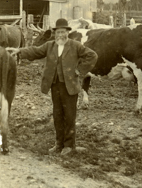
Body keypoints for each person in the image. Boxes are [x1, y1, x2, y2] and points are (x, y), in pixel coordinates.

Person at [7, 18, 98, 156]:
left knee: (69, 116)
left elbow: (92, 55)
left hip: (70, 87)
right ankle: (59, 144)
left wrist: (80, 70)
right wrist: (19, 51)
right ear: (54, 33)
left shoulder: (75, 45)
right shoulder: (50, 46)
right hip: (55, 86)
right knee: (57, 115)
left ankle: (69, 146)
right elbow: (35, 51)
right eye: (57, 32)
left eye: (63, 32)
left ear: (67, 32)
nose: (60, 35)